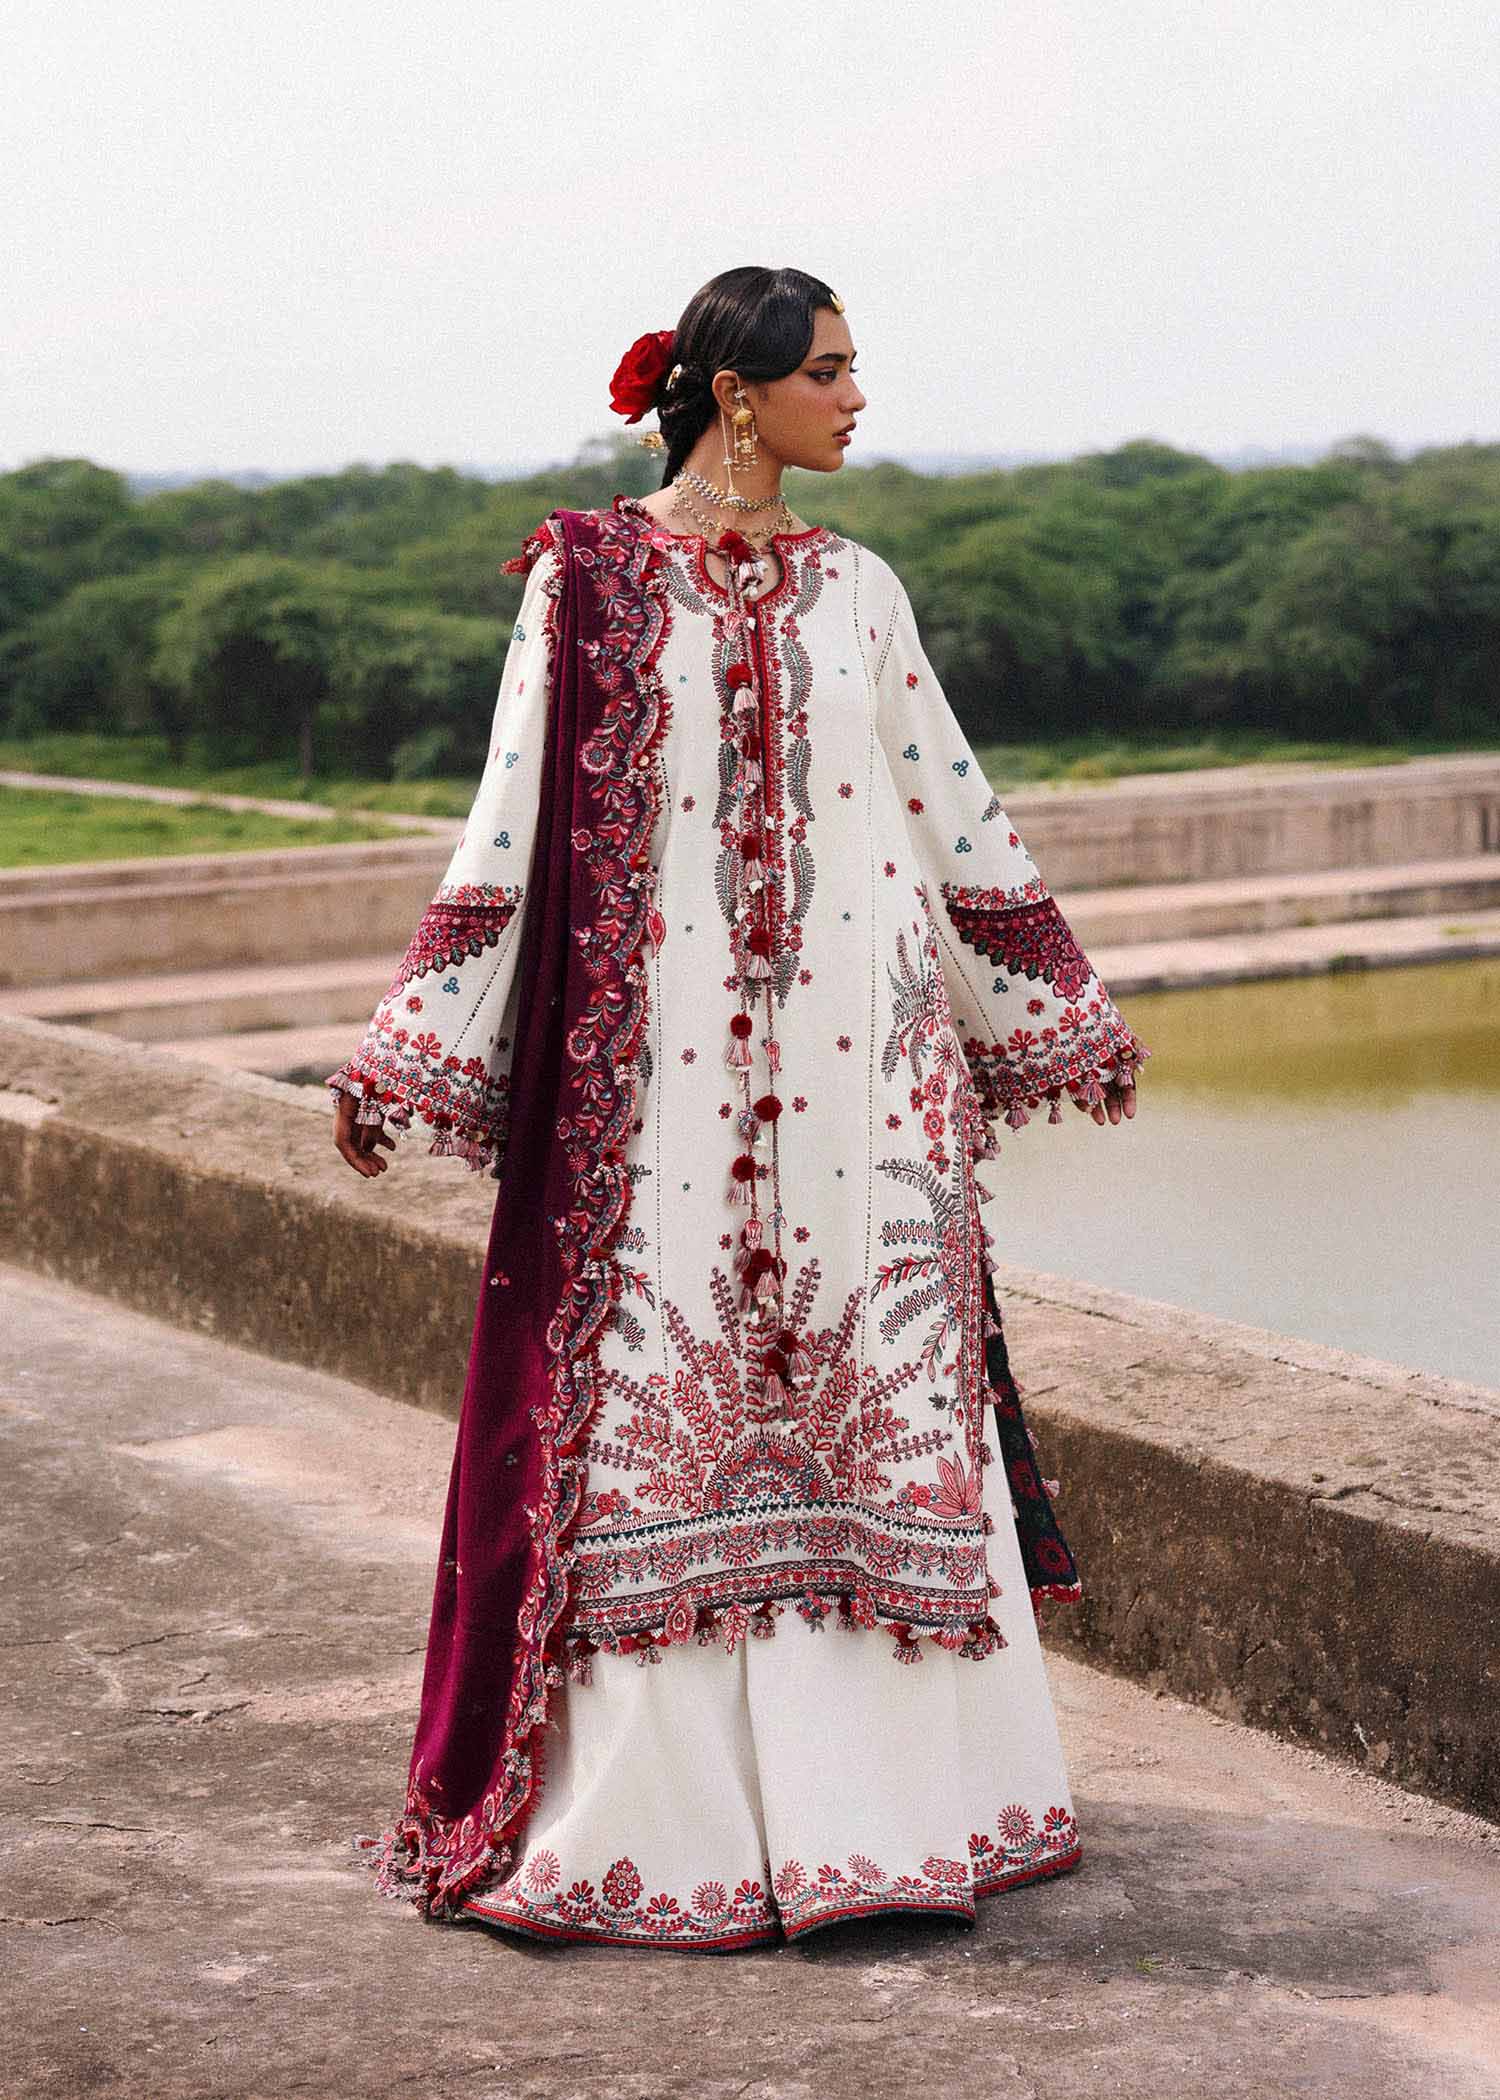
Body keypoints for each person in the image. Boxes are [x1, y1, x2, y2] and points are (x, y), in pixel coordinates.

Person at [327, 265, 1150, 1950]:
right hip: (655, 1092)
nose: (857, 399)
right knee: (661, 1401)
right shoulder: (589, 582)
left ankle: (900, 1825)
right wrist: (414, 1040)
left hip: (872, 1087)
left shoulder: (860, 587)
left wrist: (1057, 1008)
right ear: (733, 393)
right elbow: (507, 823)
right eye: (829, 371)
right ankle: (664, 1833)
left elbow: (953, 810)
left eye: (853, 369)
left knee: (876, 1399)